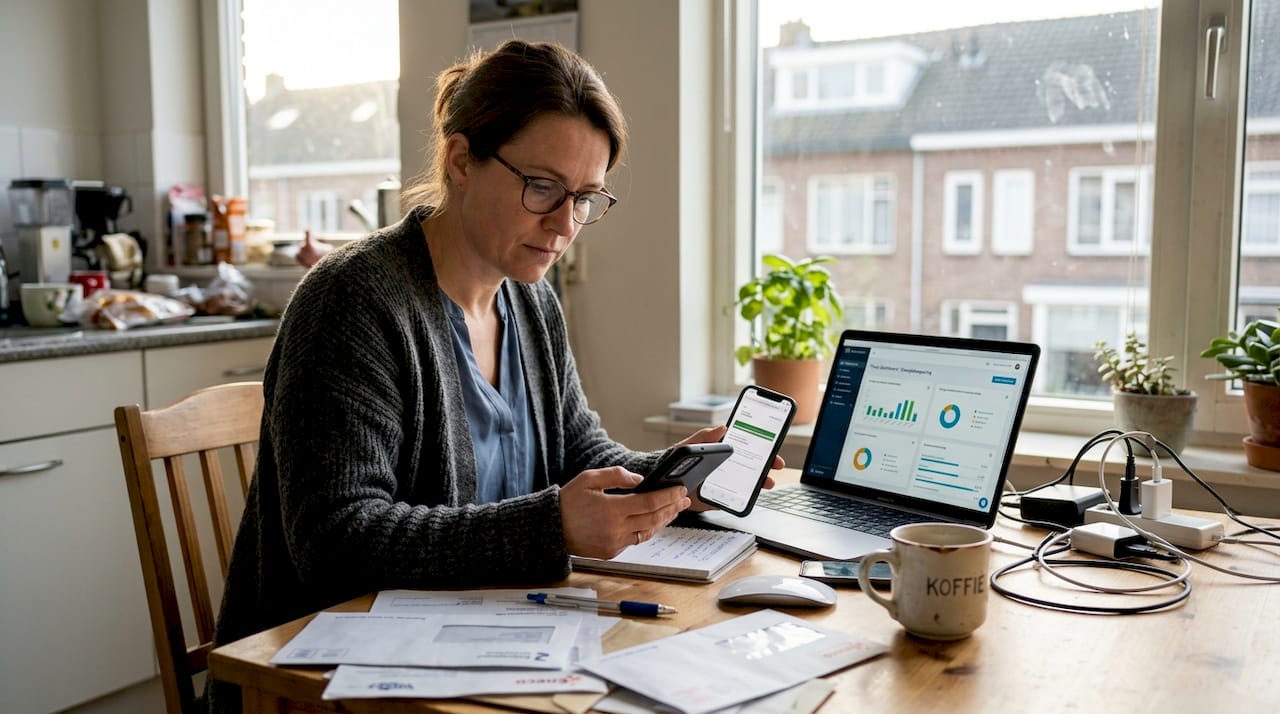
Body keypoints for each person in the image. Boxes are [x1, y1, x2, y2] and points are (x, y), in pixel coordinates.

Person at [207, 39, 776, 712]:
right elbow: (335, 544)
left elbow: (579, 453)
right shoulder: (353, 301)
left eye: (586, 197)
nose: (565, 224)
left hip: (481, 647)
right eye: (543, 188)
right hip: (329, 684)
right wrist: (550, 530)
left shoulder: (531, 302)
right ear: (460, 161)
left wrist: (678, 477)